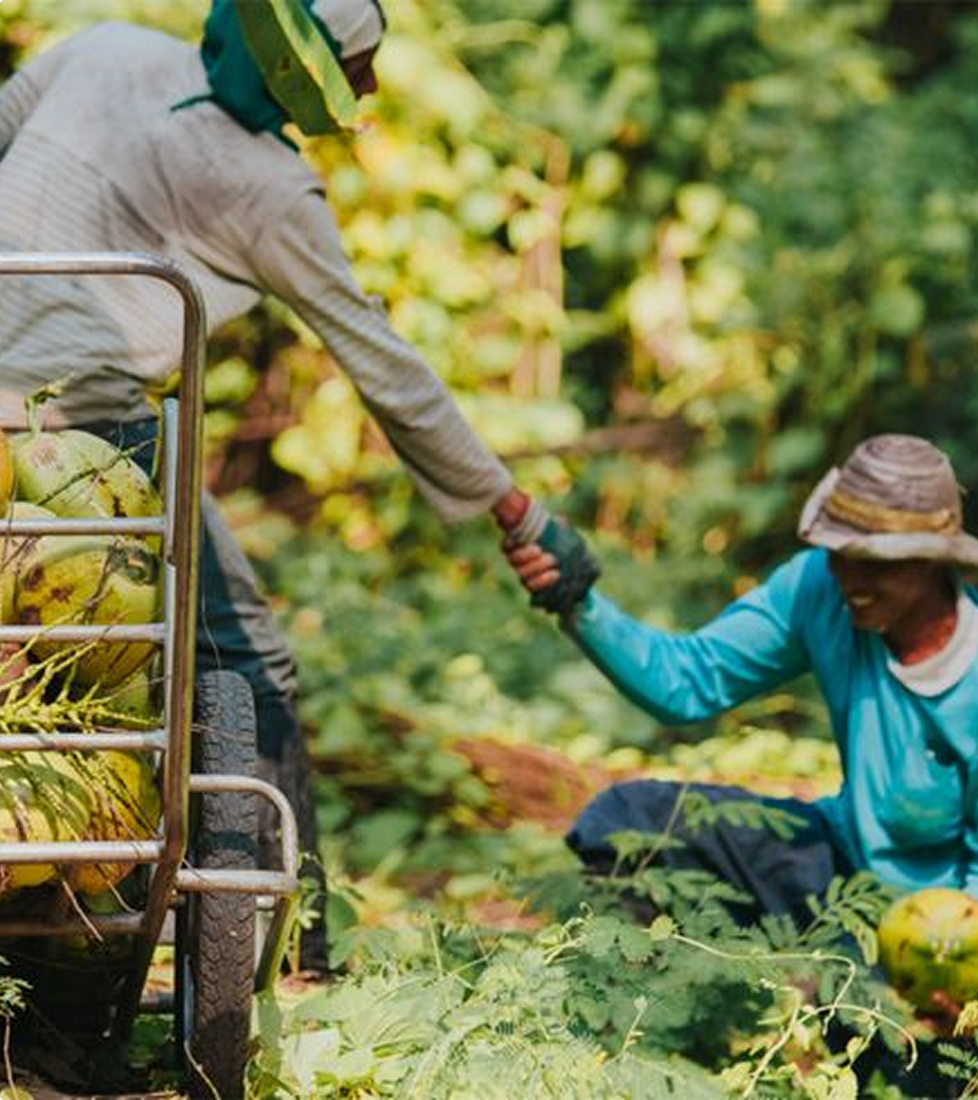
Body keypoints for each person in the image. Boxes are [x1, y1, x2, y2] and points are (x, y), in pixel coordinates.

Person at [0, 0, 583, 970]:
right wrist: (508, 502)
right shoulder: (270, 187)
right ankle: (287, 948)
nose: (370, 90)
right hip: (84, 436)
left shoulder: (104, 48)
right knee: (250, 664)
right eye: (361, 67)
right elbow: (386, 367)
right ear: (309, 69)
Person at [507, 434, 978, 1037]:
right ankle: (614, 1036)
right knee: (630, 825)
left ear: (932, 561)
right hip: (844, 864)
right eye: (839, 553)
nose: (851, 578)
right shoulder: (818, 589)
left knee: (880, 1051)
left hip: (941, 932)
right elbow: (687, 682)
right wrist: (580, 602)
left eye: (875, 562)